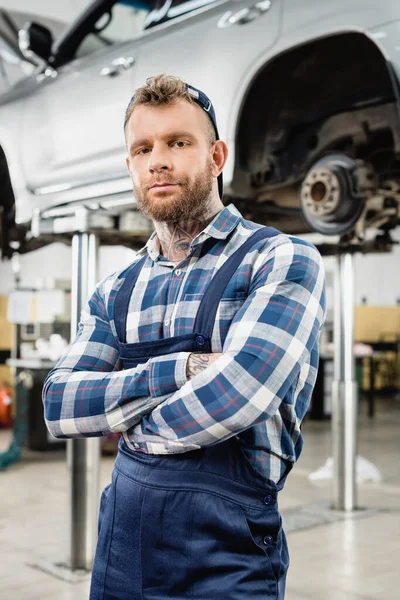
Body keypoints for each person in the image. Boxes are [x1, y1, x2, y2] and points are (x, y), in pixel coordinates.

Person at [42, 74, 326, 600]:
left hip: (227, 555)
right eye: (142, 148)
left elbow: (238, 396)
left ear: (217, 157)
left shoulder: (279, 259)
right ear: (130, 166)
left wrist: (127, 424)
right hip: (121, 549)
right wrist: (184, 368)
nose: (158, 160)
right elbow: (59, 405)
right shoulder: (116, 288)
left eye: (178, 142)